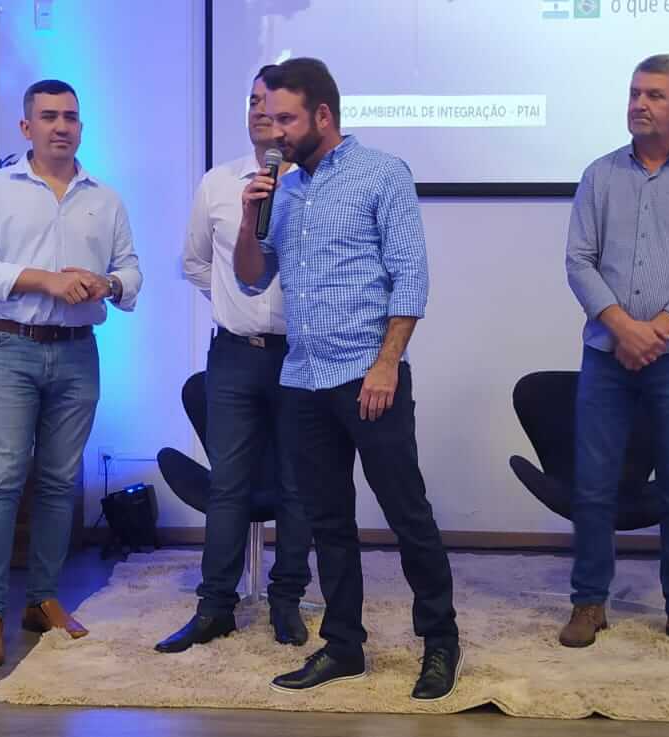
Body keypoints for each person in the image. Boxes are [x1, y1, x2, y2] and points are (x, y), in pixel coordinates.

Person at [234, 57, 460, 701]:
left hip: (368, 374)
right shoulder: (282, 189)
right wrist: (250, 216)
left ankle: (440, 643)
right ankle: (343, 646)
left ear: (323, 115)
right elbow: (251, 277)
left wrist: (387, 363)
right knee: (327, 521)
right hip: (303, 377)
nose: (274, 131)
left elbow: (411, 277)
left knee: (407, 514)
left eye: (286, 119)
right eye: (269, 118)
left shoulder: (382, 173)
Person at [0, 79, 142, 668]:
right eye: (49, 116)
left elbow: (131, 274)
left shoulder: (105, 199)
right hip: (9, 347)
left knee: (61, 481)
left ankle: (42, 600)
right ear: (26, 127)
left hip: (78, 351)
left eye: (71, 117)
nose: (62, 126)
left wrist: (106, 283)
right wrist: (46, 280)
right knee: (3, 480)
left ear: (81, 127)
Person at [560, 53, 669, 654]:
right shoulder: (599, 174)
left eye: (655, 95)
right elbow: (578, 260)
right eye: (635, 93)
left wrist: (654, 331)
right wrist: (621, 328)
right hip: (606, 354)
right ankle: (589, 602)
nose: (640, 104)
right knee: (594, 485)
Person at [159, 66, 313, 654]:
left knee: (298, 484)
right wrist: (233, 300)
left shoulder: (317, 184)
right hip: (233, 356)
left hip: (301, 355)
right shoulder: (218, 183)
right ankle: (214, 607)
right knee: (228, 484)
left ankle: (286, 601)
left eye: (271, 104)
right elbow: (196, 262)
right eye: (252, 102)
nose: (259, 112)